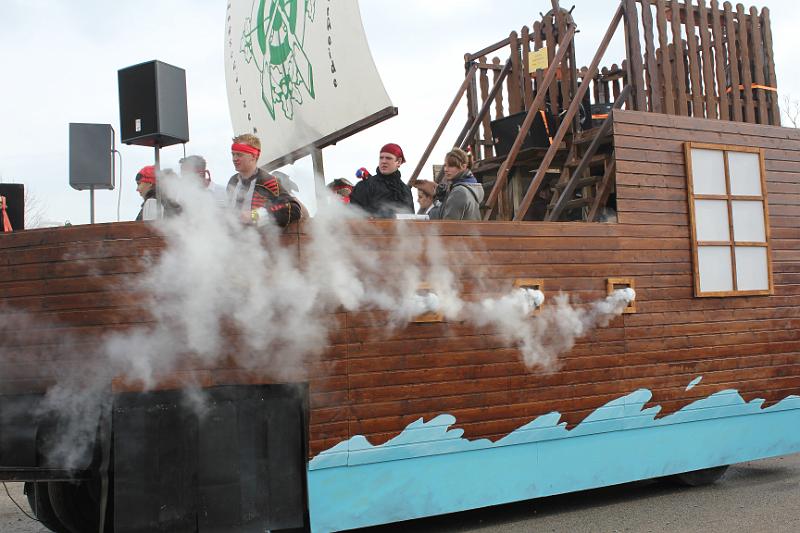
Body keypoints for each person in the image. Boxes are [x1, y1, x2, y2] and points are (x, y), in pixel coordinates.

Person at [226, 134, 303, 227]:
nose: (234, 159)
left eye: (239, 155)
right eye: (233, 154)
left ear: (253, 156)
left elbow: (293, 209)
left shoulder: (267, 181)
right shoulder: (233, 181)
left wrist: (254, 215)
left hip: (260, 235)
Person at [349, 143, 414, 218]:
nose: (383, 161)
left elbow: (411, 219)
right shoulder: (364, 186)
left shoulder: (406, 190)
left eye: (388, 158)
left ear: (399, 162)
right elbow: (353, 217)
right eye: (381, 158)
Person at [429, 148, 484, 220]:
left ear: (463, 167)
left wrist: (435, 207)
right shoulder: (473, 188)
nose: (446, 169)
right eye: (445, 165)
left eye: (451, 166)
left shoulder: (459, 191)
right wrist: (443, 200)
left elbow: (448, 224)